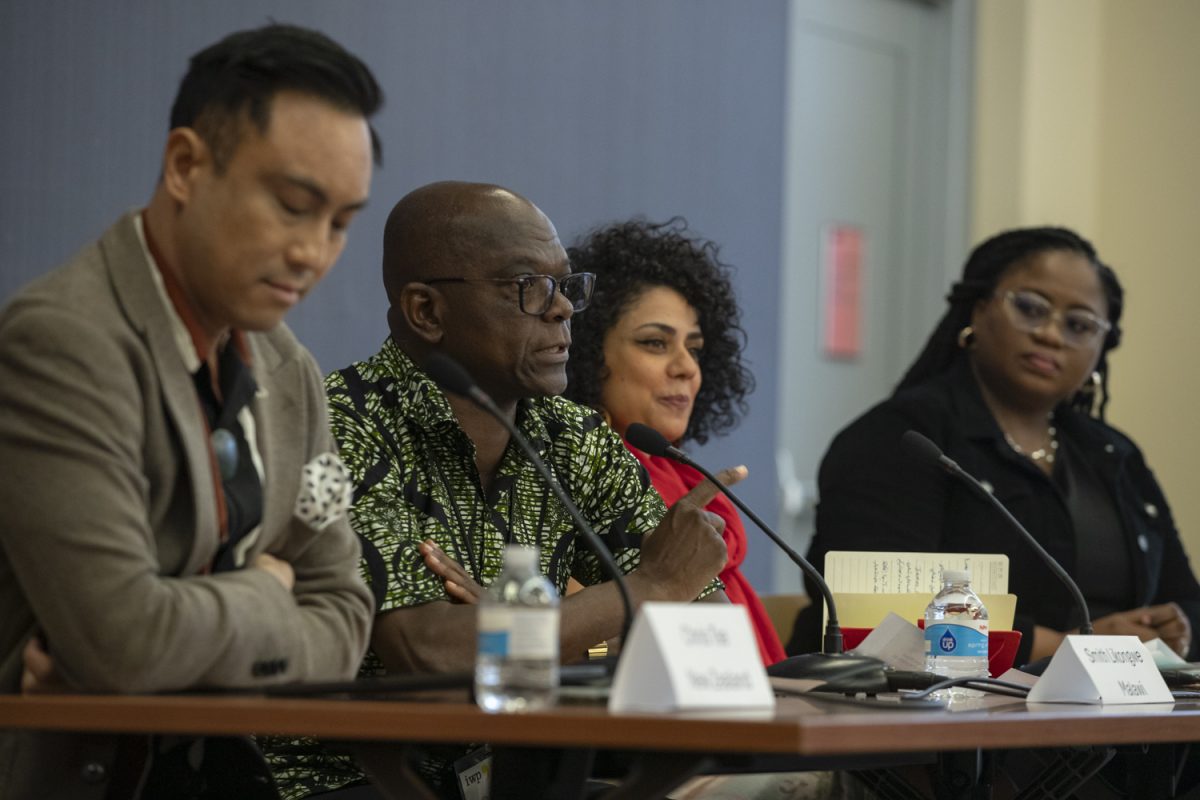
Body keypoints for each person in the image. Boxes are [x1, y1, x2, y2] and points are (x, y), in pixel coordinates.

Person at [0, 24, 382, 798]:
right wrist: (268, 592)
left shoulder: (289, 370)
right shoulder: (63, 342)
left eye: (340, 223)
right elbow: (123, 638)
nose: (314, 252)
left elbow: (343, 616)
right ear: (185, 166)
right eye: (292, 206)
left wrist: (171, 647)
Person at [266, 182, 734, 799]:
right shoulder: (340, 426)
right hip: (343, 779)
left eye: (566, 285)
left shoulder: (572, 436)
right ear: (426, 311)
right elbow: (431, 654)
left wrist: (514, 628)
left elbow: (707, 638)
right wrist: (644, 591)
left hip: (513, 775)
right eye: (529, 286)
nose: (562, 308)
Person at [788, 227, 1200, 668]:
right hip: (939, 712)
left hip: (1113, 715)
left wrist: (1176, 629)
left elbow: (1185, 597)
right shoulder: (905, 438)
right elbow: (872, 601)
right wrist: (1071, 646)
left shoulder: (1113, 456)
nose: (1051, 335)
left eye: (1079, 325)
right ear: (979, 308)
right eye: (1030, 308)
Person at [562, 218, 785, 665]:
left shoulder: (680, 472)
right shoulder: (577, 470)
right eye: (655, 344)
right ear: (587, 352)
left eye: (695, 348)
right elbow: (588, 643)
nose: (687, 367)